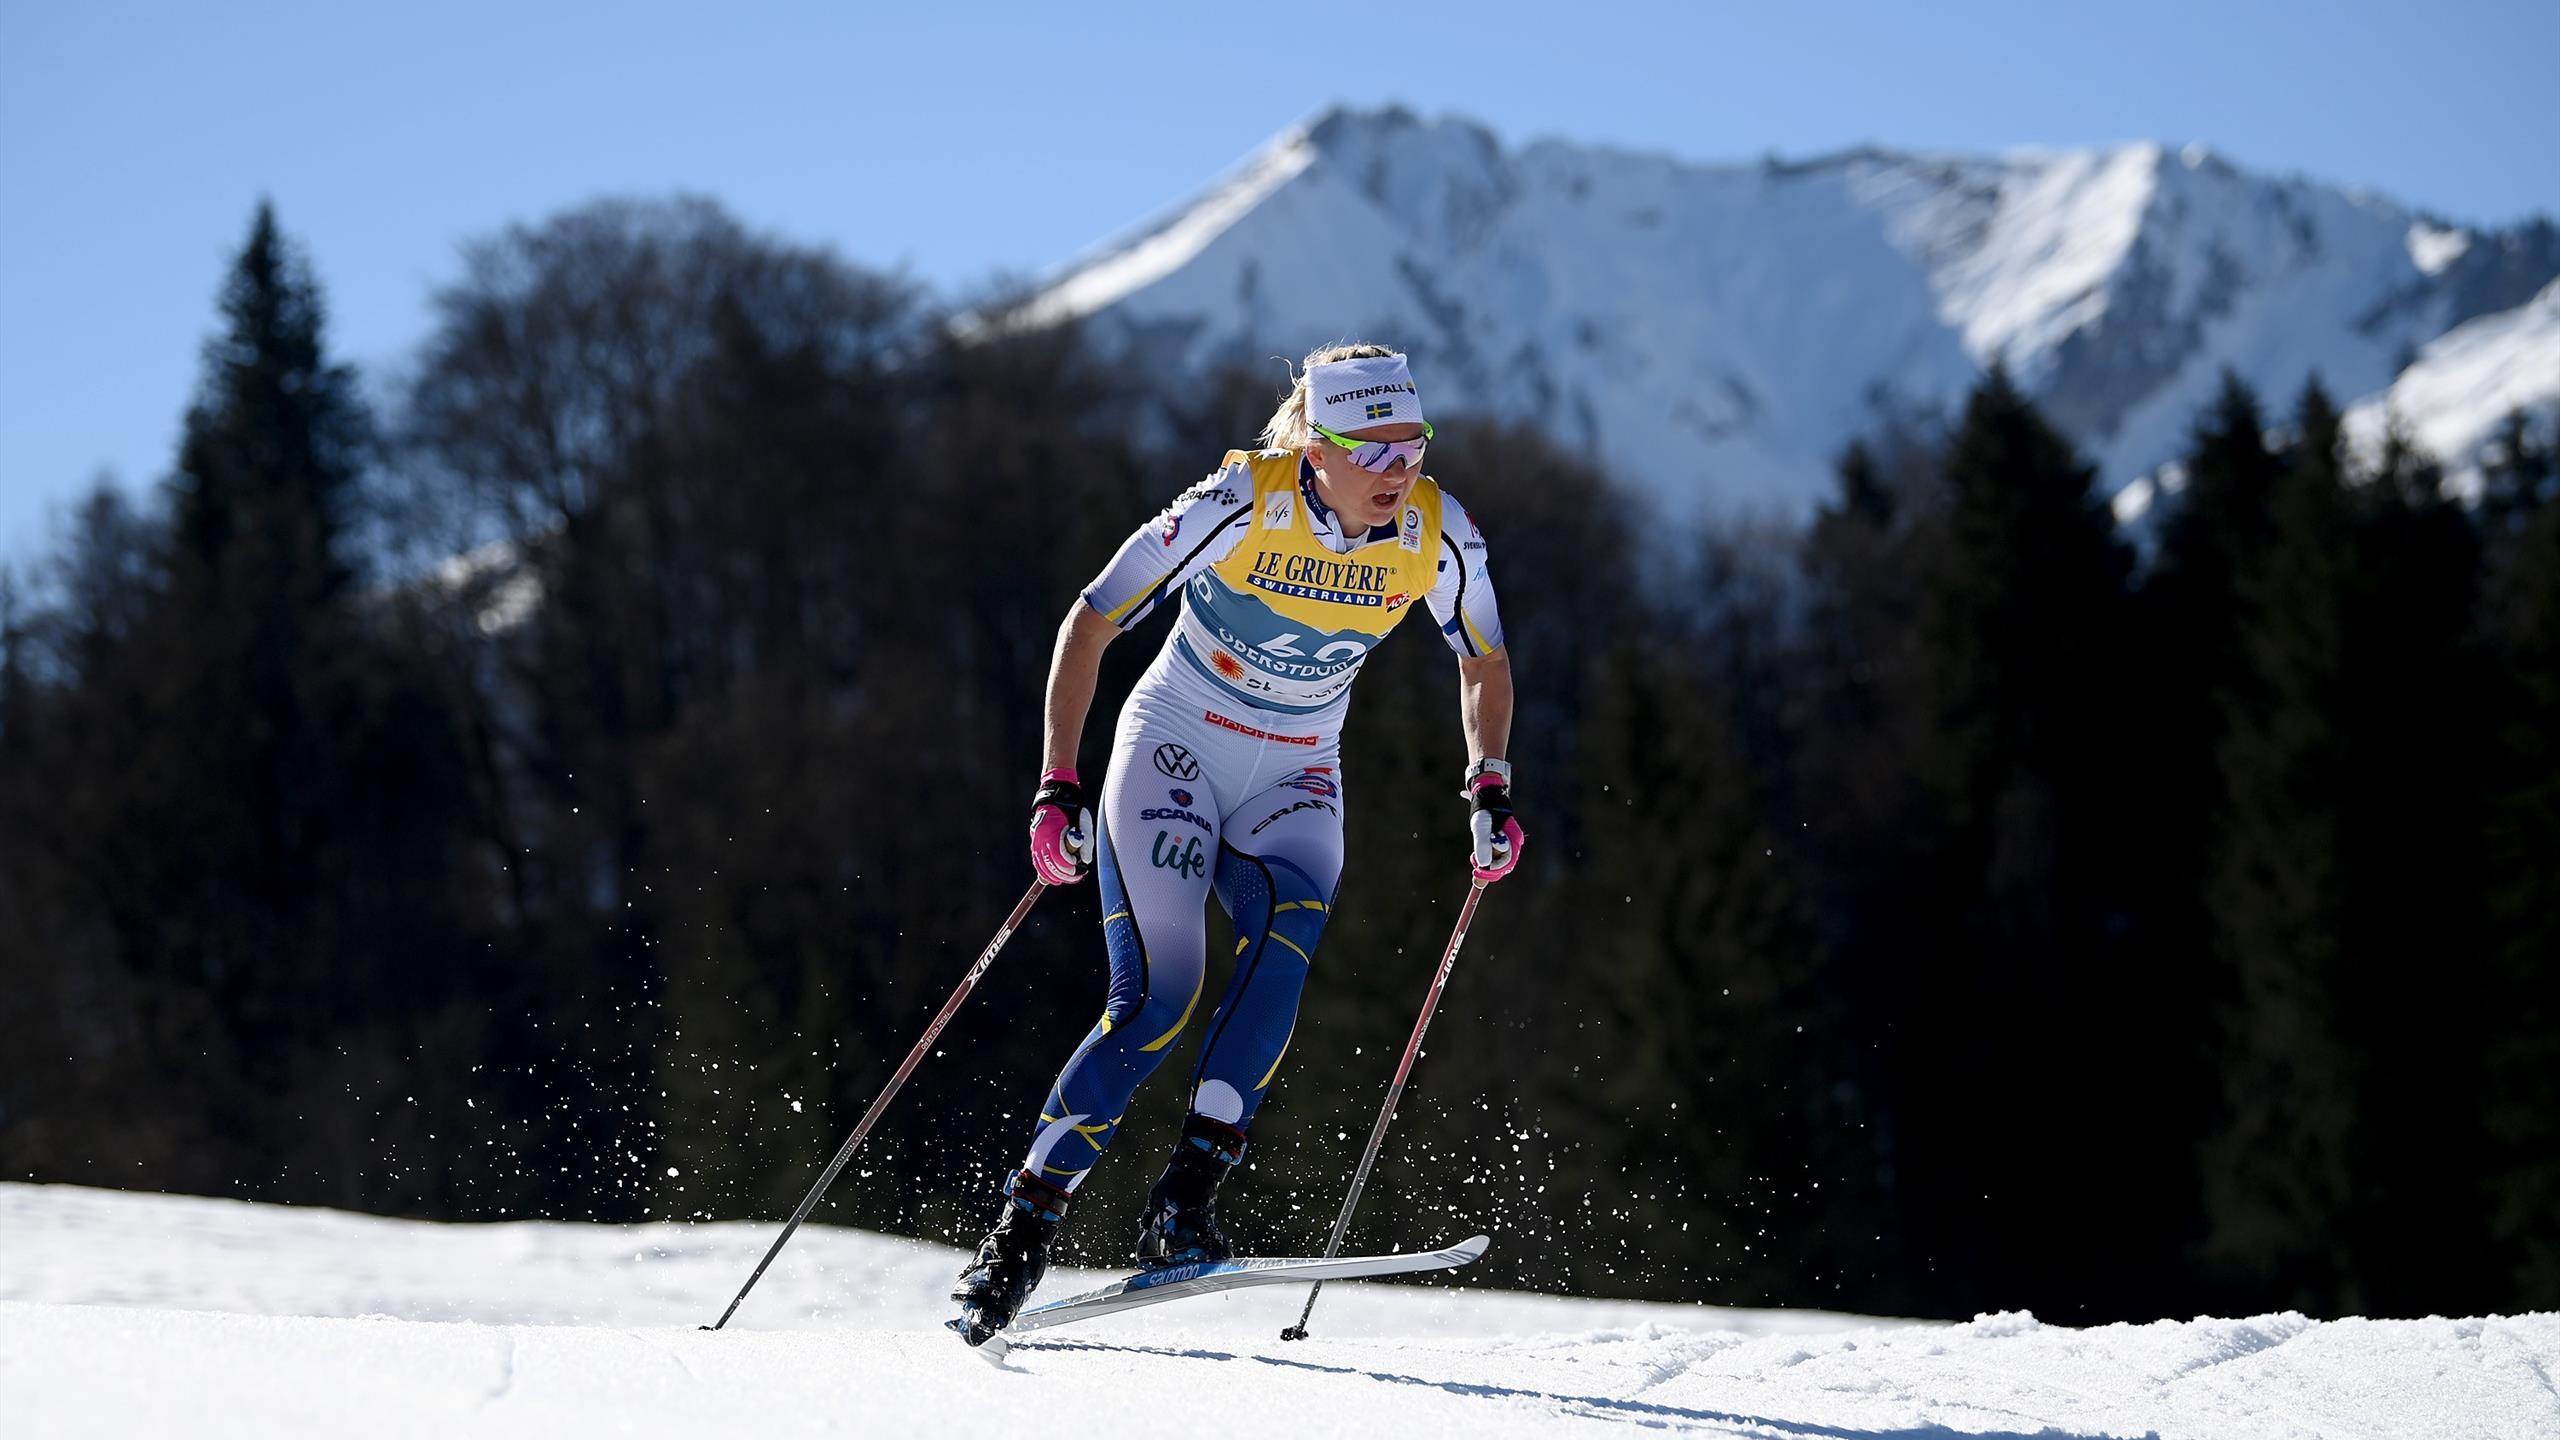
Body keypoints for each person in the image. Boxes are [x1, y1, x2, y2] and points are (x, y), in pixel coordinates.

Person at [950, 345, 1521, 1336]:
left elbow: (1483, 658)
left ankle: (1182, 1210)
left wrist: (1490, 785)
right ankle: (1021, 1235)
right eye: (1375, 448)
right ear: (1315, 444)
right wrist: (1056, 785)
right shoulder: (1237, 500)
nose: (1399, 470)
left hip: (1295, 773)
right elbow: (1091, 621)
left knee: (1282, 962)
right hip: (1175, 747)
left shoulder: (1438, 530)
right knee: (1157, 1001)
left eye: (1413, 446)